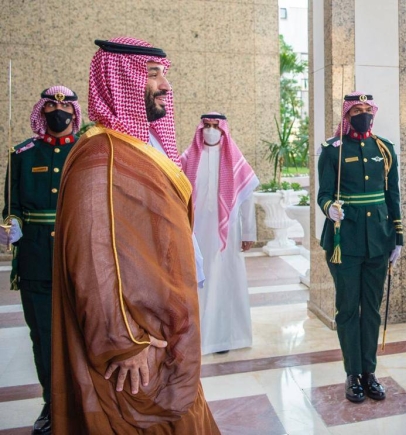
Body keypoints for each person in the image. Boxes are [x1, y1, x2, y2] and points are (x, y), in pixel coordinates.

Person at [51, 37, 219, 434]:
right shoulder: (101, 156)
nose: (165, 85)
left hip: (163, 333)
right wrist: (123, 342)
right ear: (118, 80)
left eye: (164, 74)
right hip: (134, 352)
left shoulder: (136, 147)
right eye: (152, 74)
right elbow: (93, 259)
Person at [1, 86, 81, 435]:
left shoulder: (86, 151)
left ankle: (86, 402)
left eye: (64, 105)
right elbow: (11, 206)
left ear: (74, 112)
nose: (57, 111)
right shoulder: (22, 153)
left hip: (78, 259)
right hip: (35, 261)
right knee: (44, 338)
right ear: (41, 110)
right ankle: (53, 404)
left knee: (84, 335)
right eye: (50, 105)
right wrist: (11, 227)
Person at [317, 92, 403, 403]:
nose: (363, 114)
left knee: (372, 310)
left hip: (378, 240)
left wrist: (399, 237)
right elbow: (323, 192)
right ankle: (352, 373)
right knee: (348, 309)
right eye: (357, 110)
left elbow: (392, 195)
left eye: (368, 109)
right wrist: (329, 208)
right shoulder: (333, 150)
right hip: (345, 240)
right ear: (347, 114)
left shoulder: (384, 149)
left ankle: (369, 372)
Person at [182, 112, 259, 355]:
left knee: (225, 282)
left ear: (224, 129)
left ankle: (227, 338)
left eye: (216, 126)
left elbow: (247, 199)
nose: (212, 130)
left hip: (227, 235)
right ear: (200, 128)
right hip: (196, 233)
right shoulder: (187, 158)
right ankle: (199, 337)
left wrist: (248, 232)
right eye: (208, 126)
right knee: (199, 282)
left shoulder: (234, 159)